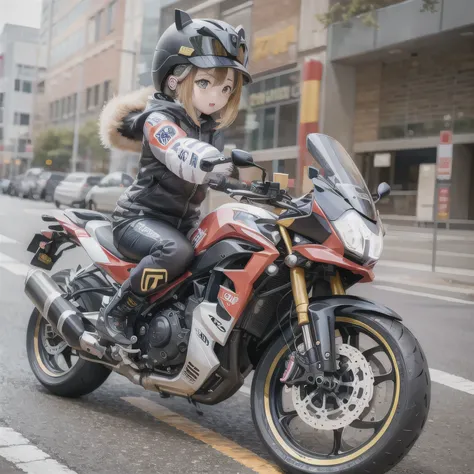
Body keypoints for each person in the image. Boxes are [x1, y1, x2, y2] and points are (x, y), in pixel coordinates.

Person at [97, 9, 251, 345]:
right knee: (175, 252)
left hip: (183, 222)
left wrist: (253, 185)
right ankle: (118, 310)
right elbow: (180, 153)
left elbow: (221, 171)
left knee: (227, 249)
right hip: (139, 219)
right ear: (174, 79)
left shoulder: (211, 130)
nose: (216, 96)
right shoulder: (159, 120)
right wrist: (211, 162)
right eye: (205, 83)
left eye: (226, 88)